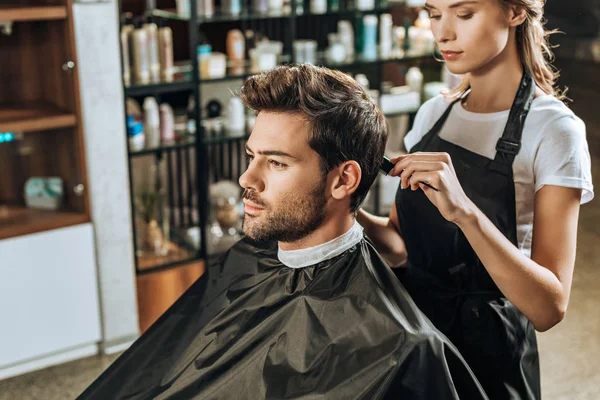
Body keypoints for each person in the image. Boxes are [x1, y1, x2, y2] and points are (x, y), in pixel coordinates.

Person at [78, 64, 488, 399]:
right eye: (252, 155)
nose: (245, 178)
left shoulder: (405, 348)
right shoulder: (248, 261)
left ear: (343, 180)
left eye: (276, 163)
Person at [357, 1, 594, 399]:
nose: (443, 33)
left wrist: (465, 212)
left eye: (464, 14)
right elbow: (399, 247)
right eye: (434, 14)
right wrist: (341, 208)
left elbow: (548, 308)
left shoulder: (554, 130)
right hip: (416, 344)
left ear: (515, 12)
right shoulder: (433, 113)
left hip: (488, 361)